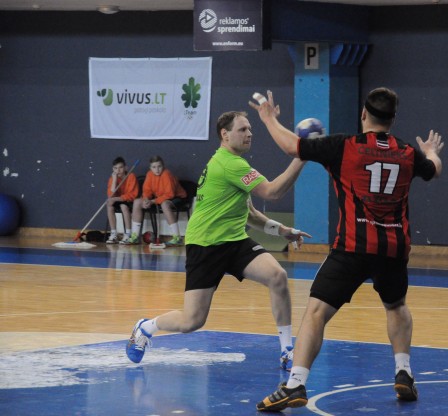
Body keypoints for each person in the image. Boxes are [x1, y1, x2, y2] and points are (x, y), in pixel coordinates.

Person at [250, 87, 444, 411]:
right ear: (393, 119)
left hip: (352, 247)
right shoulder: (409, 152)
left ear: (363, 114)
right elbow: (433, 170)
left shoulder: (343, 146)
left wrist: (269, 118)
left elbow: (291, 146)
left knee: (316, 312)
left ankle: (295, 383)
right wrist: (431, 151)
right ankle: (404, 372)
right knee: (396, 306)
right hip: (393, 249)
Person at [125, 111, 311, 372]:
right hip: (206, 245)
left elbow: (249, 214)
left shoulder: (233, 164)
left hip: (234, 241)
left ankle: (286, 350)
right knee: (192, 321)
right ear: (225, 135)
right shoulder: (229, 164)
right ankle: (146, 326)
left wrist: (282, 231)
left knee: (277, 276)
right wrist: (302, 155)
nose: (249, 134)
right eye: (242, 130)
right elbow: (273, 191)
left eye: (250, 129)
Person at [122, 156, 187, 246]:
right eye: (154, 167)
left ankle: (177, 238)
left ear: (163, 166)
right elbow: (147, 191)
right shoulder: (149, 174)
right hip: (160, 198)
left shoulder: (167, 174)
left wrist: (153, 201)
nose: (157, 169)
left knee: (164, 204)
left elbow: (170, 194)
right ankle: (135, 237)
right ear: (150, 168)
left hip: (177, 197)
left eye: (159, 166)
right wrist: (146, 200)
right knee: (137, 202)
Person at [106, 157, 139, 244]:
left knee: (123, 206)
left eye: (120, 167)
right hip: (117, 199)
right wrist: (114, 180)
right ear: (113, 169)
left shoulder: (131, 176)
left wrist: (117, 198)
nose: (118, 170)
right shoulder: (112, 179)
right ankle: (114, 233)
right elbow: (111, 195)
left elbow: (132, 195)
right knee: (109, 205)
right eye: (115, 168)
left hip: (129, 200)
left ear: (125, 168)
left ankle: (128, 233)